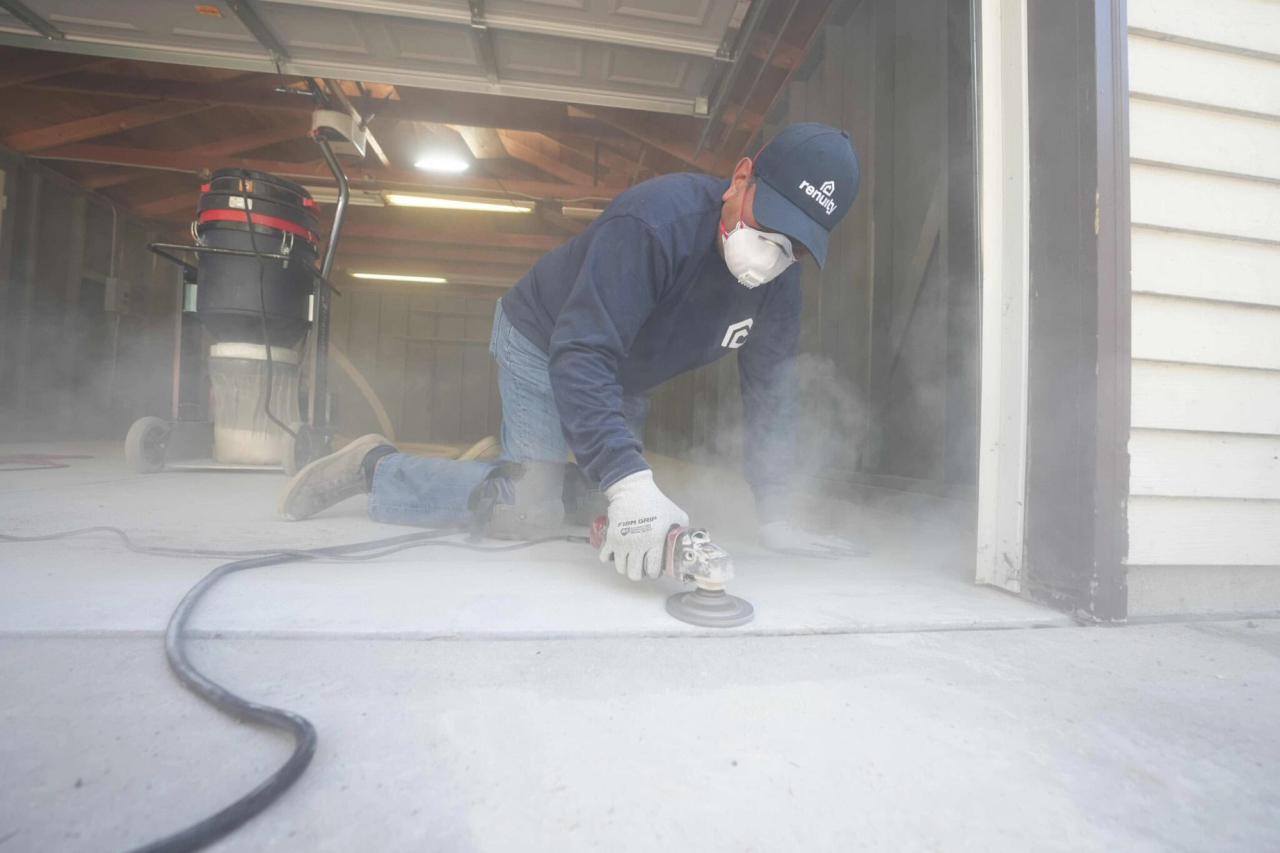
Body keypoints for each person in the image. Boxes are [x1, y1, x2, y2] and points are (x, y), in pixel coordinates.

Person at [277, 122, 865, 581]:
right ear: (741, 179)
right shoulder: (656, 222)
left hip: (623, 373)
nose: (771, 253)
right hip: (546, 339)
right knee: (534, 510)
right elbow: (581, 352)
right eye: (769, 224)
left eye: (792, 243)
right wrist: (629, 480)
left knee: (594, 502)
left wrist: (778, 510)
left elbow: (771, 391)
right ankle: (375, 466)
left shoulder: (779, 287)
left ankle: (514, 465)